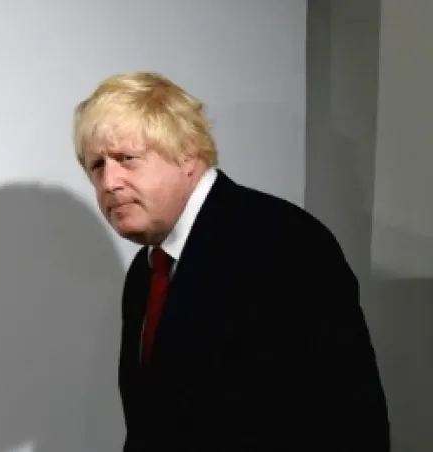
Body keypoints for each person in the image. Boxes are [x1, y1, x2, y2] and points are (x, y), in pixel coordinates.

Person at [71, 71, 390, 451]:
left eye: (127, 159)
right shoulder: (147, 270)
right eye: (97, 165)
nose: (110, 182)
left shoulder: (281, 241)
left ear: (188, 155)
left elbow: (348, 419)